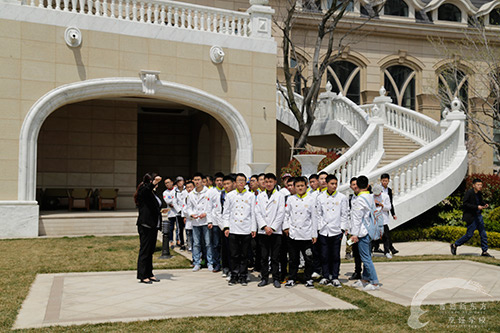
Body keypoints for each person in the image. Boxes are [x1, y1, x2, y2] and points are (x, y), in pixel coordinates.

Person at [283, 177, 318, 289]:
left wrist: (314, 234)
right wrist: (286, 227)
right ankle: (292, 278)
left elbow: (314, 218)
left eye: (302, 186)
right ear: (294, 187)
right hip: (293, 234)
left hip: (307, 234)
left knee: (308, 258)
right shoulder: (290, 199)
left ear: (306, 186)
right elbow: (286, 215)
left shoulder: (311, 199)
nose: (300, 188)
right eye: (297, 186)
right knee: (293, 259)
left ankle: (308, 278)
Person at [223, 173, 257, 286]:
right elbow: (226, 212)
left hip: (246, 228)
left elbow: (253, 213)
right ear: (235, 183)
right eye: (239, 181)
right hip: (233, 228)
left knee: (244, 254)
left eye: (243, 180)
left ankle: (243, 275)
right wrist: (226, 227)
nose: (241, 183)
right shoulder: (230, 195)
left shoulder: (250, 196)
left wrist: (253, 228)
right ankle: (234, 275)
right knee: (234, 254)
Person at [316, 174, 349, 287]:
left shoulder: (342, 197)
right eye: (332, 184)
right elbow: (318, 213)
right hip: (324, 230)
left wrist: (342, 228)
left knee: (335, 255)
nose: (334, 186)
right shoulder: (320, 197)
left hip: (336, 230)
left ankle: (335, 276)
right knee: (324, 255)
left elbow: (344, 214)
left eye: (336, 184)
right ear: (327, 184)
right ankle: (325, 276)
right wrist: (319, 227)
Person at [349, 175, 380, 291]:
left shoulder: (359, 200)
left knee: (366, 258)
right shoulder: (371, 197)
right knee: (367, 256)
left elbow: (357, 218)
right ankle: (365, 279)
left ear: (357, 185)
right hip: (371, 230)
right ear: (367, 185)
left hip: (362, 232)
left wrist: (354, 234)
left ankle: (374, 282)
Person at [255, 173, 286, 288]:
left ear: (275, 182)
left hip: (275, 231)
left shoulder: (280, 196)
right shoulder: (260, 196)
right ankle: (264, 278)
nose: (268, 184)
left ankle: (276, 278)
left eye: (270, 182)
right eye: (266, 182)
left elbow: (281, 213)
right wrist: (264, 226)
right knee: (263, 256)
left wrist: (272, 227)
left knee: (275, 257)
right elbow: (257, 212)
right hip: (263, 231)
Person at [451, 178, 494, 257]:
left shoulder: (479, 193)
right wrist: (476, 207)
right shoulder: (469, 193)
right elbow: (465, 204)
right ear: (473, 185)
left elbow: (480, 202)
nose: (480, 186)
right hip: (471, 217)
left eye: (481, 185)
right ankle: (455, 245)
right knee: (469, 235)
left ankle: (484, 252)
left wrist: (485, 204)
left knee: (483, 234)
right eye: (478, 185)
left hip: (478, 216)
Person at [135, 173, 162, 284]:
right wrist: (153, 183)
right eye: (153, 181)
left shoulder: (152, 193)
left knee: (150, 251)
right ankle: (142, 275)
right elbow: (145, 191)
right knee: (145, 250)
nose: (156, 184)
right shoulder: (144, 190)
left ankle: (149, 273)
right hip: (145, 225)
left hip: (153, 225)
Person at [186, 172, 214, 272]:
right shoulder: (190, 194)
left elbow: (211, 206)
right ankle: (196, 262)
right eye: (195, 180)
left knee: (208, 243)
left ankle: (210, 262)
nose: (197, 182)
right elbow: (188, 208)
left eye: (199, 180)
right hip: (195, 221)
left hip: (206, 221)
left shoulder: (209, 192)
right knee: (196, 243)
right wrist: (191, 214)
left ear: (202, 181)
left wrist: (206, 214)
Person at [373, 174, 399, 255]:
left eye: (386, 181)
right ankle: (384, 248)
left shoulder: (389, 191)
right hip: (376, 215)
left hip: (384, 213)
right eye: (383, 181)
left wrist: (393, 214)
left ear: (388, 181)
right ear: (381, 181)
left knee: (385, 233)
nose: (384, 182)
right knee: (378, 233)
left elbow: (390, 203)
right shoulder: (377, 189)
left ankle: (388, 249)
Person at [279, 176, 295, 282]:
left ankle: (293, 275)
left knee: (294, 256)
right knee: (283, 255)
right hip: (284, 231)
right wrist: (285, 227)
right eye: (288, 185)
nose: (289, 187)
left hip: (297, 231)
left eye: (291, 185)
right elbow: (282, 214)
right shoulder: (284, 198)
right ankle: (283, 274)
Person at [346, 177, 362, 280]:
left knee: (364, 253)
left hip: (363, 230)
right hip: (353, 229)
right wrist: (347, 228)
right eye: (353, 185)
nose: (355, 186)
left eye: (356, 184)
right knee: (355, 251)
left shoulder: (365, 197)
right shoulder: (351, 198)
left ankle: (366, 272)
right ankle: (357, 271)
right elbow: (348, 213)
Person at [219, 175, 235, 278]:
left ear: (233, 184)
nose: (226, 186)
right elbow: (219, 211)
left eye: (228, 184)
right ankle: (226, 268)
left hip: (235, 226)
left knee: (233, 250)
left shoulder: (236, 195)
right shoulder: (221, 195)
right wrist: (224, 226)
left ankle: (233, 269)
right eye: (224, 184)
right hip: (224, 225)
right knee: (225, 248)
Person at [209, 172, 225, 272]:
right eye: (218, 181)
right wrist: (209, 221)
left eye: (221, 180)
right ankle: (216, 263)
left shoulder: (226, 191)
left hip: (225, 222)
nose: (219, 182)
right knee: (215, 244)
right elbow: (209, 207)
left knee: (225, 245)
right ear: (215, 182)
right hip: (215, 222)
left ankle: (224, 263)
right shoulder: (211, 192)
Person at [372, 184, 392, 259]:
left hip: (383, 220)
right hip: (374, 219)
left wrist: (382, 205)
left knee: (386, 237)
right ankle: (371, 251)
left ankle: (387, 252)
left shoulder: (385, 196)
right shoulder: (371, 197)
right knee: (373, 236)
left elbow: (389, 207)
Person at [162, 177, 179, 249]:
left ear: (172, 182)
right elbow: (168, 201)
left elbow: (179, 199)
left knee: (178, 228)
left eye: (168, 182)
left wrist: (174, 202)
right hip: (171, 213)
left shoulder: (176, 190)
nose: (167, 184)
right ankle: (171, 241)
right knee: (171, 228)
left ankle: (178, 240)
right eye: (166, 183)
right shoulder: (165, 192)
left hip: (178, 212)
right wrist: (174, 202)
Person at [173, 176, 187, 251]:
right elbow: (174, 202)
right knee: (180, 229)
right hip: (179, 213)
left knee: (188, 228)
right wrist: (179, 210)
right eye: (178, 181)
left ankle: (189, 243)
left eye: (181, 181)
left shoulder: (186, 190)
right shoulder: (175, 191)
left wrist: (186, 211)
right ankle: (182, 244)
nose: (179, 183)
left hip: (187, 213)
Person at [183, 180, 195, 252]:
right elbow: (184, 208)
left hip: (195, 219)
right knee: (189, 234)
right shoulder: (186, 196)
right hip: (188, 219)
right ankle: (190, 247)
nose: (189, 189)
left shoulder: (195, 195)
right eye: (187, 187)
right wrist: (185, 216)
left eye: (190, 187)